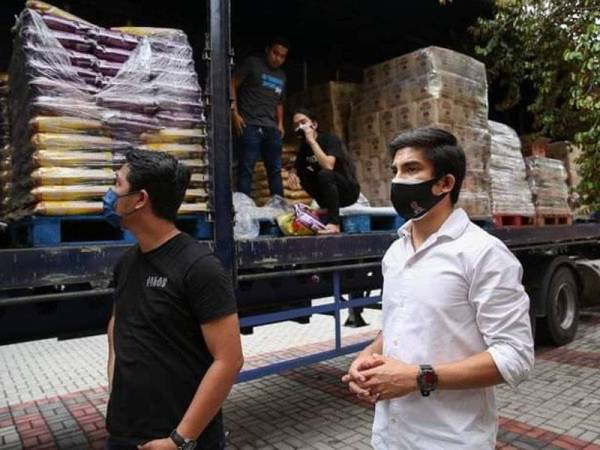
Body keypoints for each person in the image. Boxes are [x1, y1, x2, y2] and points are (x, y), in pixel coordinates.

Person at [342, 127, 534, 449]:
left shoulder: (484, 254)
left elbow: (515, 356)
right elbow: (399, 321)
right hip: (390, 437)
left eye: (412, 169)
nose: (398, 181)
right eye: (396, 171)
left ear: (445, 183)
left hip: (450, 439)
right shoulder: (395, 253)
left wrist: (419, 377)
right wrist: (366, 356)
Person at [103, 149, 244, 450]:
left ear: (140, 199)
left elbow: (229, 360)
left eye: (117, 185)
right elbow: (118, 325)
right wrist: (117, 385)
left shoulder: (200, 267)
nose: (110, 194)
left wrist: (180, 439)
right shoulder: (126, 263)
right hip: (123, 434)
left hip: (177, 440)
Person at [231, 36, 289, 198]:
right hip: (250, 124)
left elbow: (279, 103)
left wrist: (281, 124)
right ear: (267, 50)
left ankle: (279, 209)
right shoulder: (252, 64)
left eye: (282, 56)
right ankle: (244, 209)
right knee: (246, 168)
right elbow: (232, 84)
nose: (278, 59)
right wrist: (234, 114)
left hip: (271, 127)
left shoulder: (282, 76)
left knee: (275, 170)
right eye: (275, 53)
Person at [289, 108, 360, 234]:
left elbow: (328, 166)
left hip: (347, 192)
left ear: (314, 125)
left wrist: (312, 142)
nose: (300, 127)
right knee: (304, 174)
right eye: (296, 125)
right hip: (328, 198)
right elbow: (297, 166)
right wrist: (293, 173)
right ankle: (325, 206)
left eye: (303, 122)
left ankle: (334, 224)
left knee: (325, 173)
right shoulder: (304, 148)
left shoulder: (330, 139)